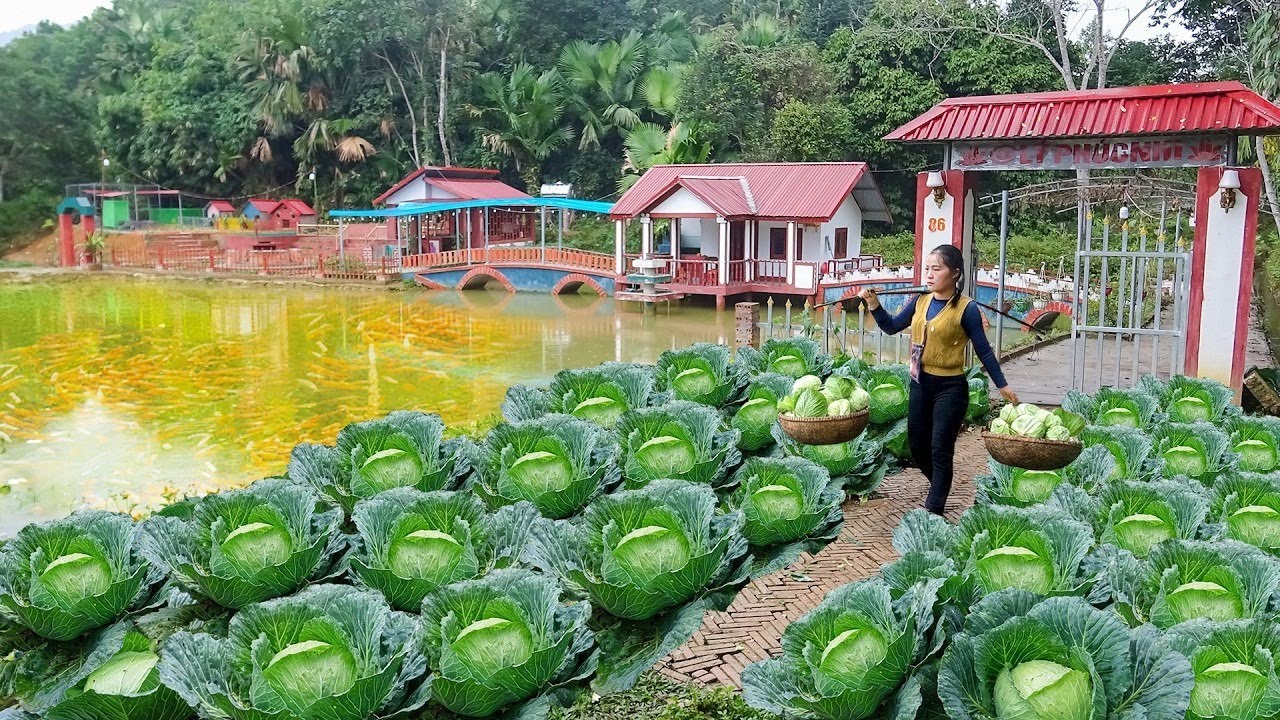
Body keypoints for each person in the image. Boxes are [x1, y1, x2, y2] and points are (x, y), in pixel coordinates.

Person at [857, 245, 1018, 515]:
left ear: (955, 273)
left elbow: (983, 350)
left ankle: (934, 510)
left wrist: (1002, 384)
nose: (929, 275)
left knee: (940, 448)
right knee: (918, 447)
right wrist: (873, 304)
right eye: (927, 269)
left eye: (937, 269)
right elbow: (891, 326)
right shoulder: (921, 301)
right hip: (920, 383)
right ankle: (940, 485)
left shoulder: (966, 309)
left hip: (950, 388)